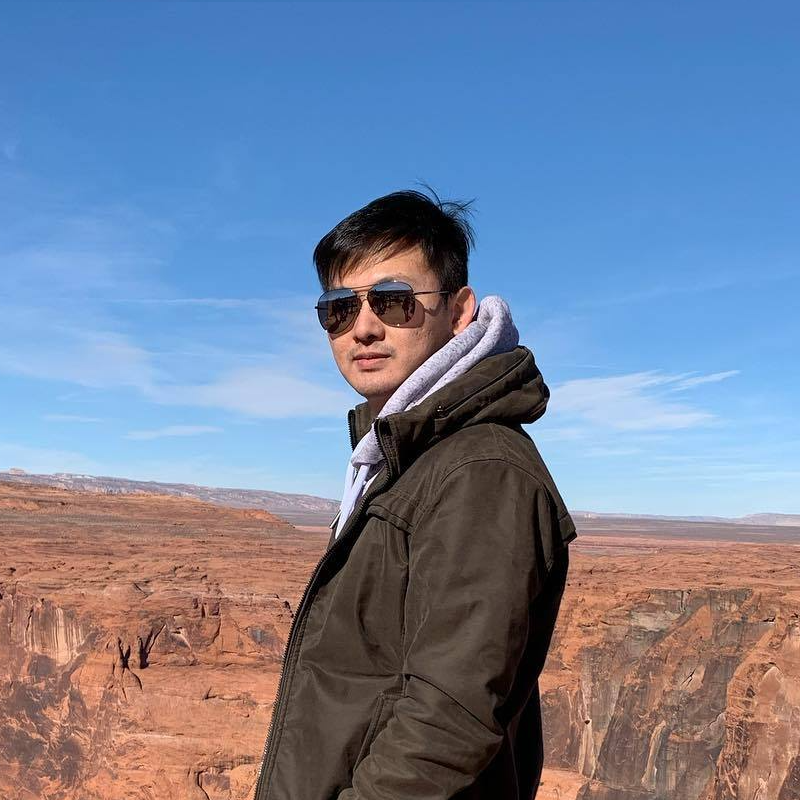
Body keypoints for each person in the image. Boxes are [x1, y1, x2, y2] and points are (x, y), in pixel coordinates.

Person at [252, 188, 577, 800]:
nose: (363, 327)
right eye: (338, 308)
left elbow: (448, 719)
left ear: (459, 311)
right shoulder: (401, 460)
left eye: (395, 300)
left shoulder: (479, 471)